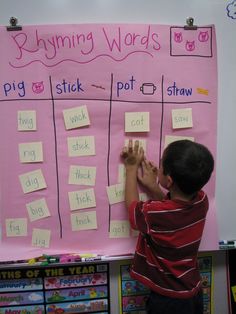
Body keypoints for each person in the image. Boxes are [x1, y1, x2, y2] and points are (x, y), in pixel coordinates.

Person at [121, 139, 214, 314]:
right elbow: (172, 209)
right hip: (192, 292)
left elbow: (133, 210)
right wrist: (155, 187)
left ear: (169, 180)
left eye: (161, 165)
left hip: (168, 300)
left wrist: (131, 168)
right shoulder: (202, 200)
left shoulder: (155, 213)